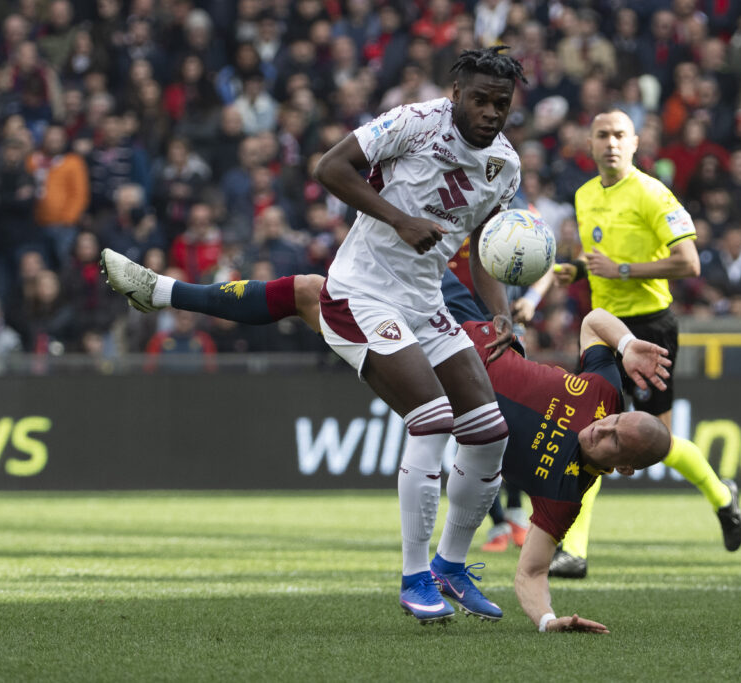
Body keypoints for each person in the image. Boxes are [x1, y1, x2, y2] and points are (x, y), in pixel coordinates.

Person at [102, 248, 733, 634]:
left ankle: (164, 293)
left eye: (608, 439)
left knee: (307, 294)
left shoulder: (565, 492)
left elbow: (532, 573)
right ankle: (446, 568)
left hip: (432, 365)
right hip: (472, 324)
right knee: (443, 242)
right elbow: (594, 319)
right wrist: (624, 345)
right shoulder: (604, 392)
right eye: (609, 421)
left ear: (618, 468)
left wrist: (545, 620)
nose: (596, 426)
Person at [107, 47, 528, 625]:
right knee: (430, 418)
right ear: (455, 94)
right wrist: (398, 219)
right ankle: (413, 578)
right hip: (362, 290)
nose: (489, 112)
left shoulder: (505, 166)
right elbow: (328, 167)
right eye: (479, 99)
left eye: (500, 104)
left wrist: (500, 312)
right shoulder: (412, 123)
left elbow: (484, 247)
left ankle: (450, 566)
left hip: (425, 303)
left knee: (489, 432)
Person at [550, 109, 741, 578]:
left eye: (620, 135)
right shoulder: (583, 194)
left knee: (661, 441)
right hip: (603, 328)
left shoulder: (653, 193)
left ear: (635, 143)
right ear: (589, 144)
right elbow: (599, 256)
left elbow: (689, 263)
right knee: (590, 433)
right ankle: (573, 550)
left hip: (651, 327)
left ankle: (722, 495)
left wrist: (623, 271)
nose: (611, 143)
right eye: (602, 135)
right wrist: (576, 270)